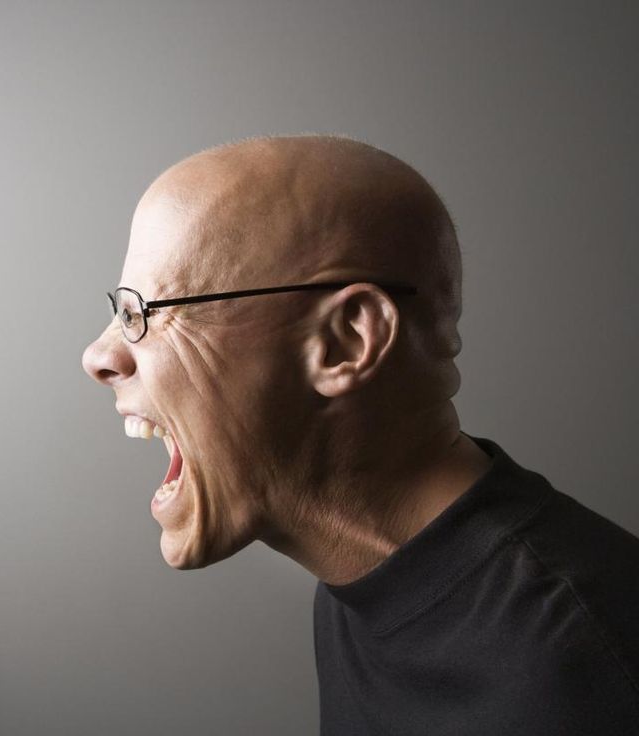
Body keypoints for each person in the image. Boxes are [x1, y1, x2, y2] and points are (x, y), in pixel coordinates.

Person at [81, 135, 639, 734]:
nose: (99, 355)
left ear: (347, 341)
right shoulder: (360, 582)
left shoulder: (584, 664)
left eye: (145, 312)